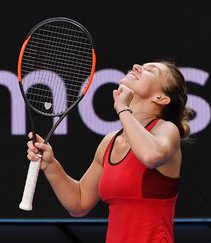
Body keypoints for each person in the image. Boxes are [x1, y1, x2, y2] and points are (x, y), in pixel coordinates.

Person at [26, 61, 191, 243]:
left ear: (161, 98)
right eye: (140, 66)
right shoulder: (109, 142)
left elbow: (151, 156)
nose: (136, 66)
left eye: (150, 70)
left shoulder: (167, 130)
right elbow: (79, 203)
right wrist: (51, 165)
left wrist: (122, 108)